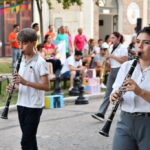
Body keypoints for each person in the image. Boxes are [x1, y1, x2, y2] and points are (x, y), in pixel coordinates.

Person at [7, 28, 49, 150]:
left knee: (25, 142)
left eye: (24, 43)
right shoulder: (20, 61)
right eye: (20, 43)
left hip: (34, 106)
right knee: (30, 140)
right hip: (21, 104)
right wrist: (13, 87)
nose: (21, 47)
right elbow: (19, 84)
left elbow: (46, 86)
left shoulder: (40, 62)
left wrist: (25, 82)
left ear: (33, 43)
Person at [111, 26, 150, 150]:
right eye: (138, 42)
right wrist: (114, 96)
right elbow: (115, 90)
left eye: (146, 43)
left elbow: (140, 92)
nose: (140, 46)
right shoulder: (126, 66)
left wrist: (139, 91)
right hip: (125, 121)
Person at [91, 32, 128, 121]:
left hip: (120, 71)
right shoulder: (110, 47)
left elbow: (125, 61)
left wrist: (112, 56)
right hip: (112, 71)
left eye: (113, 38)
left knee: (122, 93)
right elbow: (111, 60)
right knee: (108, 93)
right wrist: (107, 61)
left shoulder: (123, 48)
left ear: (118, 38)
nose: (111, 40)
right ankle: (101, 113)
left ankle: (126, 114)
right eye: (111, 38)